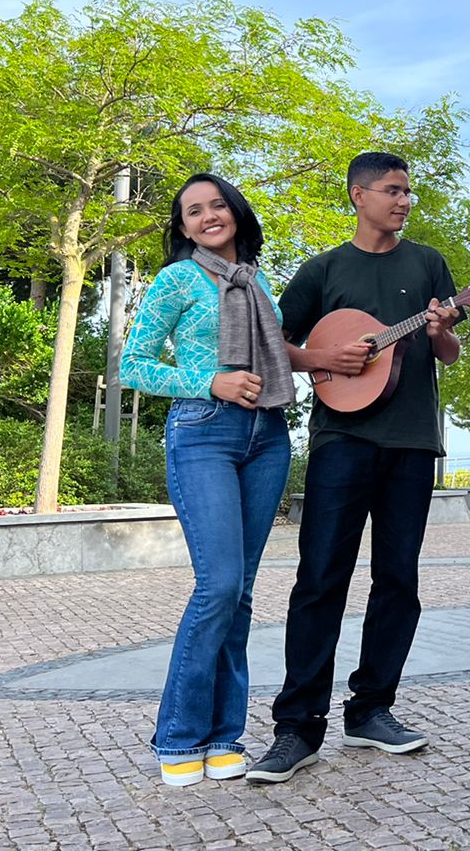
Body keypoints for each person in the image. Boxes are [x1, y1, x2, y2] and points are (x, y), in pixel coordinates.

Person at [245, 151, 461, 785]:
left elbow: (447, 350)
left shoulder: (427, 264)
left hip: (413, 442)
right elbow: (272, 339)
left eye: (408, 191)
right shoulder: (324, 269)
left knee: (398, 580)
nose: (403, 201)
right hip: (341, 437)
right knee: (319, 580)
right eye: (392, 190)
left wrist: (443, 326)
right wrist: (320, 359)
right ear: (358, 195)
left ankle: (371, 711)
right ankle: (296, 728)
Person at [121, 172, 295, 787]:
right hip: (203, 431)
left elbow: (281, 352)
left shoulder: (257, 279)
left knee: (242, 595)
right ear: (183, 227)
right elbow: (133, 365)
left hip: (269, 436)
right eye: (192, 211)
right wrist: (210, 381)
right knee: (217, 585)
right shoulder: (176, 279)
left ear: (235, 213)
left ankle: (225, 735)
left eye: (216, 204)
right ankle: (178, 735)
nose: (206, 216)